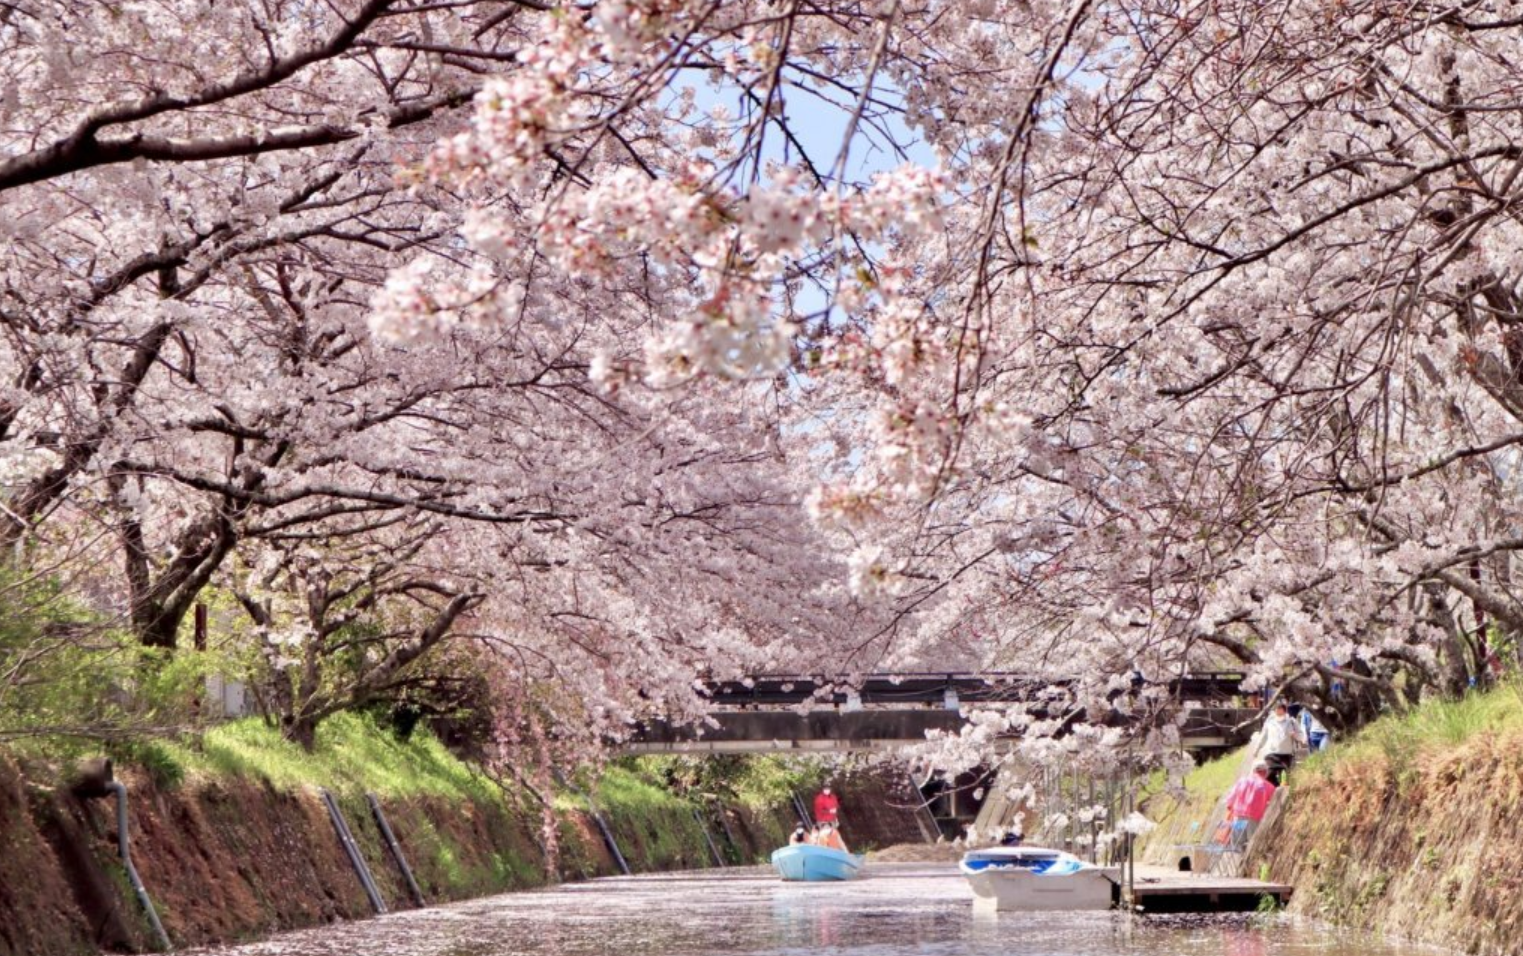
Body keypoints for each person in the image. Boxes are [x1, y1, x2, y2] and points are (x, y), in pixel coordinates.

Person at [1261, 702, 1306, 785]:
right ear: (1274, 712)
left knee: (1285, 777)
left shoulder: (1292, 721)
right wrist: (1256, 750)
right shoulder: (1269, 722)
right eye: (1277, 713)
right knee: (1270, 773)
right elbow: (1263, 736)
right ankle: (1272, 789)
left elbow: (1301, 735)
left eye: (1281, 713)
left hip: (1286, 754)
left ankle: (1281, 791)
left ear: (1285, 712)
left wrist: (1295, 736)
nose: (1279, 715)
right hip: (1272, 753)